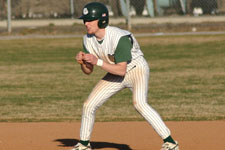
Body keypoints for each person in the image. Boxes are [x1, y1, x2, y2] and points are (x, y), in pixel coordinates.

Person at [74, 2, 179, 150]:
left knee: (139, 104)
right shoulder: (87, 39)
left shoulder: (119, 37)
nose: (86, 23)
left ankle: (171, 143)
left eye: (90, 19)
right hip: (114, 71)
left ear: (102, 20)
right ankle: (84, 145)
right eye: (85, 20)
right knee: (88, 105)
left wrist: (96, 61)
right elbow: (88, 71)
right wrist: (83, 63)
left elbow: (122, 70)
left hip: (136, 69)